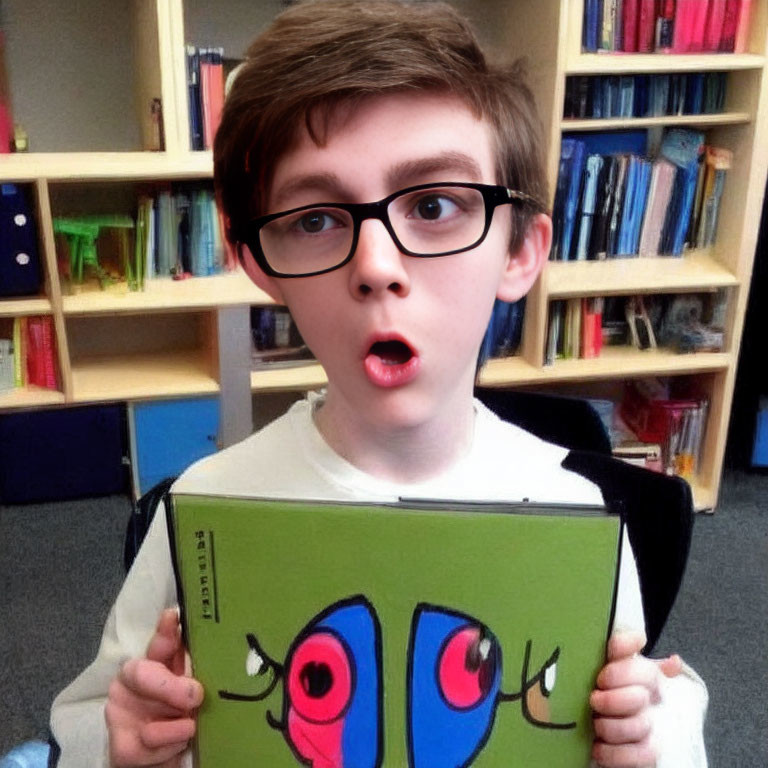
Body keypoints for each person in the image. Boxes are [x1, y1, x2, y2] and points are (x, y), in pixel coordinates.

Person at [49, 1, 708, 766]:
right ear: (262, 265)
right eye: (317, 219)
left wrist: (650, 743)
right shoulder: (204, 508)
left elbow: (646, 714)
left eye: (433, 206)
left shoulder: (576, 517)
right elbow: (95, 719)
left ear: (521, 251)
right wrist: (124, 743)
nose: (375, 266)